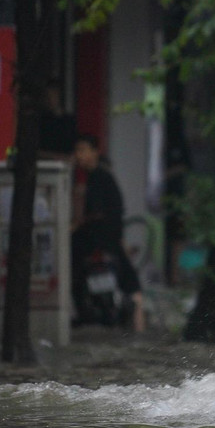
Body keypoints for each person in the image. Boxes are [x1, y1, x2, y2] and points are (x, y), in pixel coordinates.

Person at [71, 136, 145, 331]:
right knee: (130, 283)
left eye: (83, 150)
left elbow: (99, 212)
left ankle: (137, 325)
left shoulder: (99, 177)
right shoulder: (97, 178)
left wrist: (77, 225)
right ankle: (137, 327)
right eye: (77, 151)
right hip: (107, 242)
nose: (78, 156)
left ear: (95, 152)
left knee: (130, 284)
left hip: (101, 242)